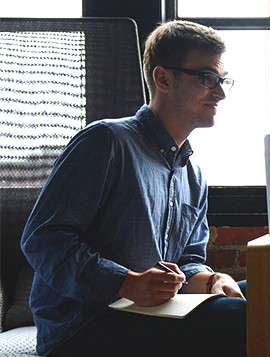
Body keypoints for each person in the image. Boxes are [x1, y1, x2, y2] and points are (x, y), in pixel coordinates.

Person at [21, 20, 246, 356]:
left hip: (153, 314)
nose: (221, 92)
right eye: (207, 78)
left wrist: (211, 280)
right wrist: (125, 282)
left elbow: (187, 262)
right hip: (83, 326)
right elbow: (43, 239)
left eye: (222, 80)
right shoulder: (106, 142)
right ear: (163, 78)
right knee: (244, 319)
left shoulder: (193, 175)